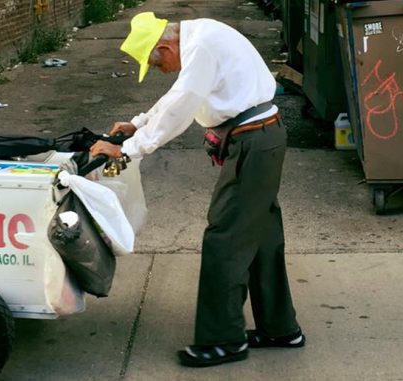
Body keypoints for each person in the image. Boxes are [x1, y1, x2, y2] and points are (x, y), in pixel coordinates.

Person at [90, 12, 304, 368]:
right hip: (260, 137)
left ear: (165, 46)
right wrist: (139, 123)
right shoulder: (198, 37)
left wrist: (128, 149)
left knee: (225, 237)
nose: (162, 70)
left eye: (156, 64)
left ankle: (223, 340)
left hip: (253, 142)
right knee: (262, 237)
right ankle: (281, 330)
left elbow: (182, 104)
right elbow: (178, 95)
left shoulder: (200, 46)